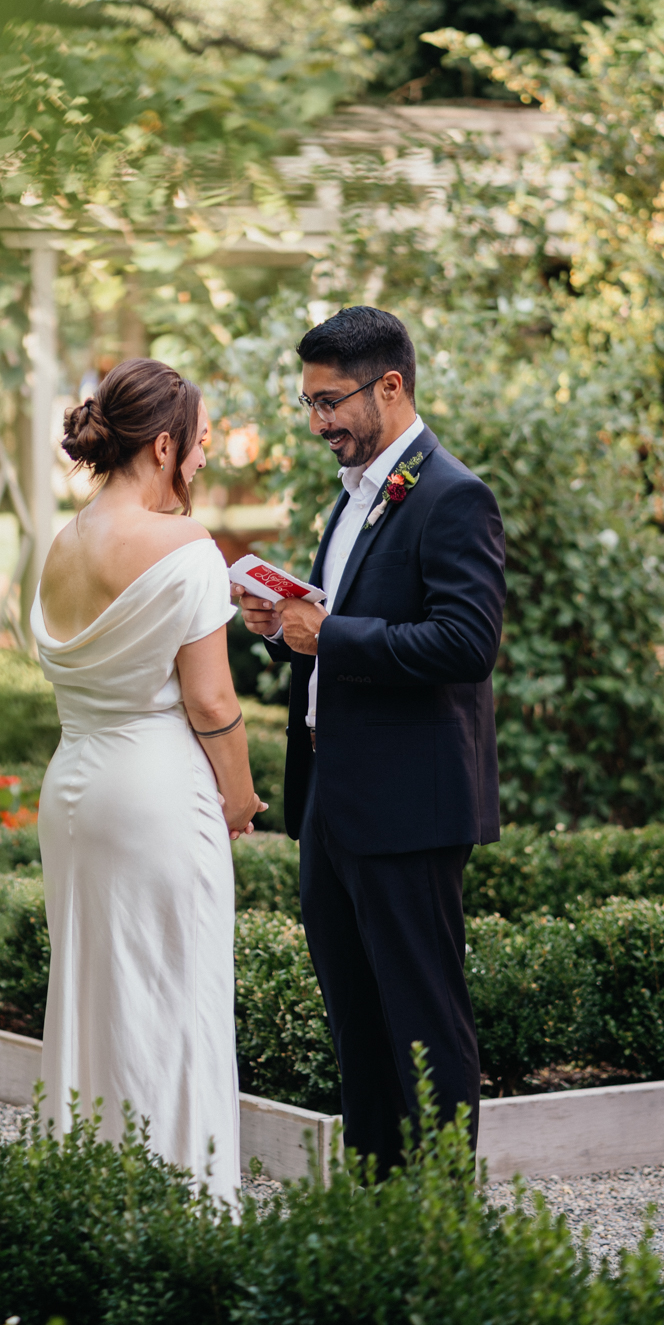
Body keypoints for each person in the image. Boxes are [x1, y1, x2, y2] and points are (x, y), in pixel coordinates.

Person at [233, 307, 505, 1174]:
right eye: (308, 404)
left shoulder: (454, 495)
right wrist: (285, 625)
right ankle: (379, 1207)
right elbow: (338, 628)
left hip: (408, 811)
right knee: (355, 1020)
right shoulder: (352, 498)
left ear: (390, 386)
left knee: (424, 1022)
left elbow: (467, 643)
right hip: (333, 805)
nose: (318, 423)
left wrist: (332, 636)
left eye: (330, 402)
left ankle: (441, 1215)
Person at [33, 357, 264, 1198]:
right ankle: (184, 1205)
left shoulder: (63, 543)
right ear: (163, 444)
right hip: (158, 800)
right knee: (176, 1005)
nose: (203, 461)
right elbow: (210, 700)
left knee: (92, 999)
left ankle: (87, 1193)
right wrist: (239, 799)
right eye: (200, 445)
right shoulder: (187, 548)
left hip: (72, 795)